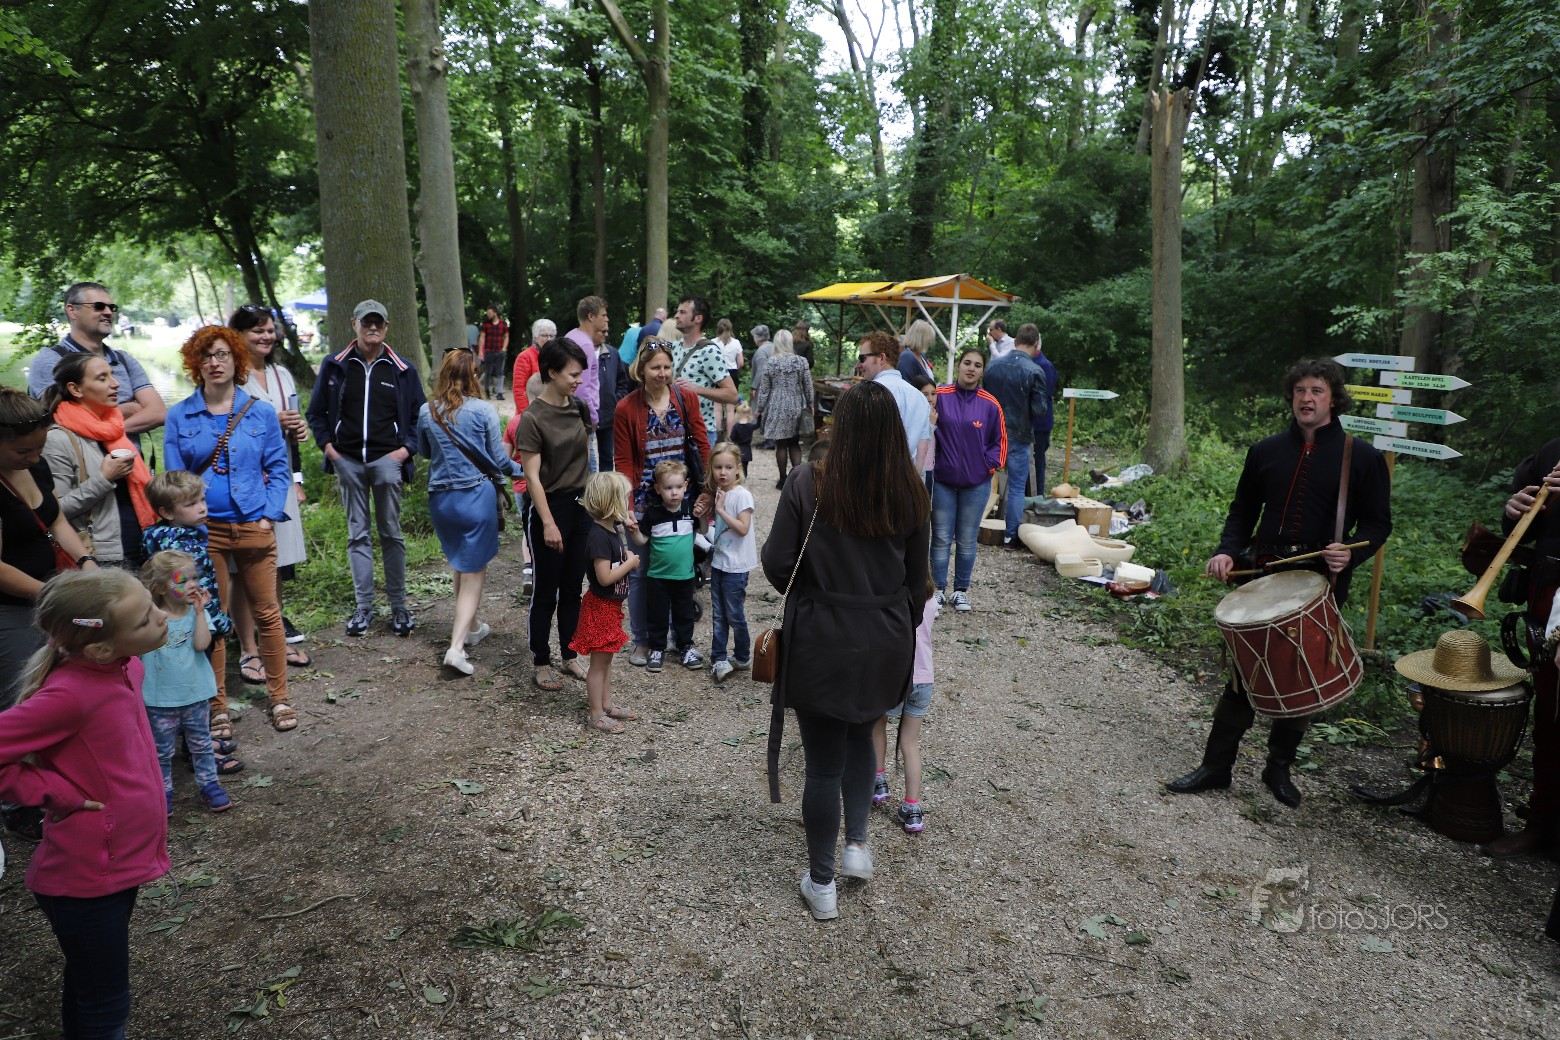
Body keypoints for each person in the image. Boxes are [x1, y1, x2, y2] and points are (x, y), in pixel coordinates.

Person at [1165, 358, 1391, 807]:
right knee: (1242, 672)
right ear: (1291, 397)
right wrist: (1227, 550)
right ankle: (1216, 766)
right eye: (1301, 390)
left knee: (1300, 676)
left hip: (1319, 582)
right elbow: (1243, 510)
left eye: (1317, 391)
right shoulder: (1266, 451)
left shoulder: (1361, 456)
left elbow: (1378, 523)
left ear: (1334, 399)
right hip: (1265, 574)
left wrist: (1352, 551)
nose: (1307, 398)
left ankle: (1279, 768)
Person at [761, 380, 931, 921]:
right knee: (863, 737)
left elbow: (776, 562)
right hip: (885, 636)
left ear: (844, 428)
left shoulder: (809, 482)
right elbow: (920, 581)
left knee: (822, 766)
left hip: (822, 633)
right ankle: (856, 845)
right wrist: (893, 620)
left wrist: (812, 590)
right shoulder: (911, 490)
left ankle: (822, 883)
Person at [0, 569, 171, 1040]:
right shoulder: (70, 695)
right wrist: (55, 792)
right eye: (144, 619)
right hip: (85, 880)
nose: (161, 617)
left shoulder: (128, 667)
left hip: (115, 868)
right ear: (98, 649)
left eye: (152, 605)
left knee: (90, 986)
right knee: (106, 1006)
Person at [165, 326, 297, 735]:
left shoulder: (260, 412)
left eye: (222, 354)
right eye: (206, 356)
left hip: (254, 524)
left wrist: (268, 515)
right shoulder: (180, 415)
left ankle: (280, 698)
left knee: (268, 614)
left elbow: (279, 468)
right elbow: (173, 480)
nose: (214, 363)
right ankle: (217, 705)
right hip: (207, 534)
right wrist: (191, 524)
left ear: (236, 360)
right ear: (196, 364)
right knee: (212, 616)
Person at [0, 389, 95, 842]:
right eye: (23, 451)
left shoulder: (33, 464)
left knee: (58, 686)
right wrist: (53, 595)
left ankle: (61, 778)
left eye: (39, 447)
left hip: (48, 596)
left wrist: (88, 565)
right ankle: (17, 801)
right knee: (18, 699)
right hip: (12, 607)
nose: (35, 457)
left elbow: (55, 519)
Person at [305, 300, 427, 638]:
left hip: (388, 461)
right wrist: (331, 451)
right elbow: (315, 413)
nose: (372, 328)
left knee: (391, 533)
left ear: (386, 327)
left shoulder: (402, 369)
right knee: (357, 535)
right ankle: (364, 607)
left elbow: (419, 416)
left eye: (378, 323)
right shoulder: (335, 365)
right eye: (366, 323)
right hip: (347, 461)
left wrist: (404, 452)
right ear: (354, 324)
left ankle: (399, 607)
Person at [416, 350, 520, 677]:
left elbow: (424, 451)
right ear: (473, 375)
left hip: (441, 500)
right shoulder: (484, 410)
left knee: (460, 562)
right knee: (474, 572)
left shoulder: (427, 411)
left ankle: (472, 627)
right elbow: (499, 461)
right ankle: (456, 647)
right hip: (475, 497)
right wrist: (525, 471)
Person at [613, 338, 709, 667]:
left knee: (680, 569)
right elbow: (624, 461)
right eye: (655, 367)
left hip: (680, 498)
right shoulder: (627, 407)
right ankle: (643, 640)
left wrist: (707, 490)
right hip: (644, 499)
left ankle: (680, 639)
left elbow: (701, 444)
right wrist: (626, 503)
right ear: (641, 369)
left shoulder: (686, 399)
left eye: (667, 366)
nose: (662, 373)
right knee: (641, 571)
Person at [1484, 447, 1560, 857]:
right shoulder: (1550, 452)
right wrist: (1514, 512)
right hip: (1548, 592)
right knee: (1548, 714)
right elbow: (1522, 528)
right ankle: (1542, 824)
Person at [140, 471, 241, 770]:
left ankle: (195, 744)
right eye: (191, 504)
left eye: (202, 500)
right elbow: (195, 590)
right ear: (167, 512)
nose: (202, 508)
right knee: (194, 689)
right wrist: (220, 622)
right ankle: (200, 753)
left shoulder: (158, 536)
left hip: (173, 623)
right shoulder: (184, 548)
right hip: (191, 622)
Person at [229, 304, 311, 665]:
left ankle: (273, 638)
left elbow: (290, 428)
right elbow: (223, 430)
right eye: (257, 330)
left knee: (276, 562)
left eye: (269, 330)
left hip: (279, 479)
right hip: (245, 482)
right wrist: (270, 422)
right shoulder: (230, 376)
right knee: (245, 562)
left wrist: (297, 433)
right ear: (239, 335)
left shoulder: (282, 374)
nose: (266, 337)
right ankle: (248, 647)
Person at [515, 338, 594, 691]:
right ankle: (540, 660)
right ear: (551, 372)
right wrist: (548, 522)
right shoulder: (532, 418)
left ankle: (569, 655)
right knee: (546, 591)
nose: (579, 380)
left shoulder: (579, 408)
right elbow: (531, 477)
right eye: (572, 374)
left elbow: (585, 458)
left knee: (574, 587)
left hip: (581, 507)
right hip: (550, 507)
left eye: (580, 374)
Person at [41, 353, 158, 570]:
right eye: (102, 378)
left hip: (143, 545)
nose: (115, 384)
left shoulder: (114, 429)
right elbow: (55, 510)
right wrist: (104, 479)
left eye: (112, 375)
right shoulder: (57, 440)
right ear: (76, 389)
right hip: (102, 557)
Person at [138, 551, 232, 814]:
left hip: (195, 695)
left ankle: (209, 785)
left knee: (202, 745)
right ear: (160, 588)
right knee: (161, 752)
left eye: (194, 578)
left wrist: (200, 614)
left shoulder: (196, 613)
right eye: (182, 580)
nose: (192, 585)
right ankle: (163, 792)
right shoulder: (150, 618)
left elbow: (202, 645)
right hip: (158, 700)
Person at [27, 282, 167, 451]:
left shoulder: (123, 360)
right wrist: (129, 409)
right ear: (72, 310)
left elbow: (158, 413)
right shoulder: (51, 360)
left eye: (111, 307)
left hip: (131, 463)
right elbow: (62, 421)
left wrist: (107, 429)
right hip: (79, 465)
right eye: (99, 306)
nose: (108, 312)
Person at [931, 348, 1007, 612]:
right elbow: (926, 428)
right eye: (967, 363)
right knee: (941, 537)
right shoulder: (940, 396)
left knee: (966, 539)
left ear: (982, 371)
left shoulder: (990, 404)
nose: (971, 368)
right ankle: (937, 589)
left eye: (977, 365)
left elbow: (1000, 442)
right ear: (959, 366)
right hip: (943, 481)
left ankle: (960, 591)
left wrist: (985, 466)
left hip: (976, 484)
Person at [569, 471, 641, 734]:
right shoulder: (599, 536)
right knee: (598, 665)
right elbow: (604, 577)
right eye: (624, 498)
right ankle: (596, 713)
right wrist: (630, 563)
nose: (627, 502)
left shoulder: (612, 529)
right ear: (611, 502)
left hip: (610, 608)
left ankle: (606, 705)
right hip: (600, 609)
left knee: (606, 661)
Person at [872, 576, 938, 833]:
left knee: (878, 726)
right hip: (924, 679)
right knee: (910, 743)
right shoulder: (931, 600)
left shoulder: (894, 600)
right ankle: (912, 808)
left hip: (896, 676)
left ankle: (878, 780)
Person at [981, 322, 1052, 545]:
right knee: (1017, 486)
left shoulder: (993, 366)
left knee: (982, 480)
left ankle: (972, 527)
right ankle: (1011, 536)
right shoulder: (1035, 371)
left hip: (992, 432)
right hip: (1019, 435)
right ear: (1036, 343)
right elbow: (1039, 409)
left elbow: (984, 401)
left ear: (1016, 340)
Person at [631, 460, 703, 672]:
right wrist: (634, 530)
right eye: (668, 488)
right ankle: (657, 648)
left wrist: (703, 516)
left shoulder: (689, 510)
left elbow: (703, 530)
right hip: (658, 576)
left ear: (686, 486)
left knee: (684, 614)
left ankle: (685, 647)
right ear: (658, 489)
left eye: (678, 487)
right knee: (657, 614)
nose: (674, 492)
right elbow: (642, 541)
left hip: (684, 576)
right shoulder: (653, 514)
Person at [706, 442, 755, 683]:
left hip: (736, 567)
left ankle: (743, 656)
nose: (722, 472)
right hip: (719, 563)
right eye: (718, 467)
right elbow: (709, 530)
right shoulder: (719, 493)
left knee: (734, 615)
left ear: (738, 469)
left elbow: (743, 528)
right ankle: (718, 657)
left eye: (728, 467)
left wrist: (721, 510)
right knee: (719, 615)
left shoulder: (741, 495)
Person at [855, 331, 930, 465]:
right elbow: (922, 450)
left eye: (862, 358)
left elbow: (860, 445)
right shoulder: (920, 397)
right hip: (908, 474)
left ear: (881, 358)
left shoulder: (868, 393)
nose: (858, 365)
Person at [751, 329, 814, 490]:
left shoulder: (771, 362)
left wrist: (760, 408)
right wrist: (810, 403)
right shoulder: (801, 361)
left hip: (776, 405)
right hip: (796, 404)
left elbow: (765, 389)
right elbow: (808, 385)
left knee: (781, 444)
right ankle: (798, 480)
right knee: (794, 443)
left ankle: (782, 480)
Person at [670, 295, 739, 437]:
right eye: (677, 312)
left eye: (682, 312)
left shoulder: (709, 351)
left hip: (700, 433)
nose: (676, 316)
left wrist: (697, 389)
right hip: (674, 430)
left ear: (698, 318)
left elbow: (732, 395)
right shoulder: (674, 347)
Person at [596, 336, 631, 473]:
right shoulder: (581, 351)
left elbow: (622, 382)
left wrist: (615, 401)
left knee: (607, 456)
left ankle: (607, 486)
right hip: (587, 414)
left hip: (608, 414)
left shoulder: (612, 353)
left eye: (606, 331)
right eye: (601, 331)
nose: (604, 334)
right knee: (587, 458)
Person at [1030, 330, 1058, 495]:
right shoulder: (1031, 362)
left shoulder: (1044, 365)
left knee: (1038, 462)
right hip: (1029, 423)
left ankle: (1038, 496)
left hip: (1039, 424)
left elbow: (1043, 396)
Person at [713, 318, 744, 437]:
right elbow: (740, 363)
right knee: (730, 409)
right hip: (732, 374)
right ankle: (730, 437)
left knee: (717, 408)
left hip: (717, 374)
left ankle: (717, 435)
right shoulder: (736, 343)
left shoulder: (713, 342)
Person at [908, 373, 937, 491]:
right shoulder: (913, 416)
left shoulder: (935, 414)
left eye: (933, 394)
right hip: (916, 473)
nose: (930, 399)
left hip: (930, 470)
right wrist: (930, 424)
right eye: (925, 394)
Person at [478, 305, 510, 399]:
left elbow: (506, 336)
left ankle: (499, 393)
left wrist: (504, 348)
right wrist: (480, 351)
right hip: (489, 351)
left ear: (495, 313)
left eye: (490, 313)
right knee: (488, 372)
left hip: (500, 351)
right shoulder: (486, 324)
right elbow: (482, 337)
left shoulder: (503, 324)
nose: (488, 315)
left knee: (500, 372)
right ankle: (486, 390)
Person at [897, 318, 937, 383]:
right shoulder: (906, 358)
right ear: (921, 339)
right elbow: (905, 382)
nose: (930, 342)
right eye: (929, 339)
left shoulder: (922, 356)